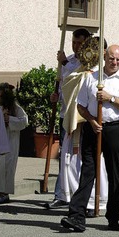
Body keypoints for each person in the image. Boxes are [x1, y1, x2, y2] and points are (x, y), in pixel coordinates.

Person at [61, 45, 119, 232]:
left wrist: (110, 98)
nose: (115, 63)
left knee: (114, 173)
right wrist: (91, 120)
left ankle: (113, 217)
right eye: (112, 58)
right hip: (93, 127)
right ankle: (76, 216)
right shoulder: (92, 77)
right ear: (105, 57)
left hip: (114, 129)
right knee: (88, 171)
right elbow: (81, 105)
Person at [47, 28, 91, 209]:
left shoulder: (89, 62)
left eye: (80, 43)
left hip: (82, 116)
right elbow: (65, 84)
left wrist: (64, 62)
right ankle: (62, 193)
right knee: (65, 156)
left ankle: (80, 194)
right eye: (74, 42)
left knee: (80, 156)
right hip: (66, 114)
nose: (76, 46)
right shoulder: (70, 60)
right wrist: (56, 94)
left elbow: (78, 76)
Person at [0, 83, 29, 204]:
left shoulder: (15, 107)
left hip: (10, 140)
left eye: (0, 96)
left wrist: (10, 119)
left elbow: (24, 121)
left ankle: (4, 193)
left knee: (7, 166)